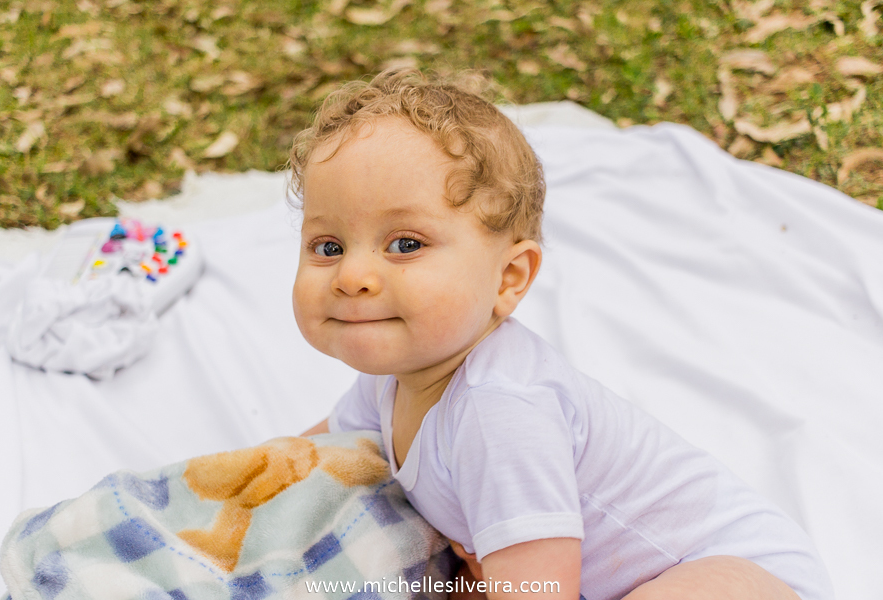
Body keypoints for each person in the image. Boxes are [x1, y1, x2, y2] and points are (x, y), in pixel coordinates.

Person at [290, 69, 833, 600]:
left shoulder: (499, 411)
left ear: (509, 278)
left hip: (741, 572)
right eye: (328, 246)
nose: (352, 278)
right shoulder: (388, 384)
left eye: (405, 244)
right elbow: (297, 463)